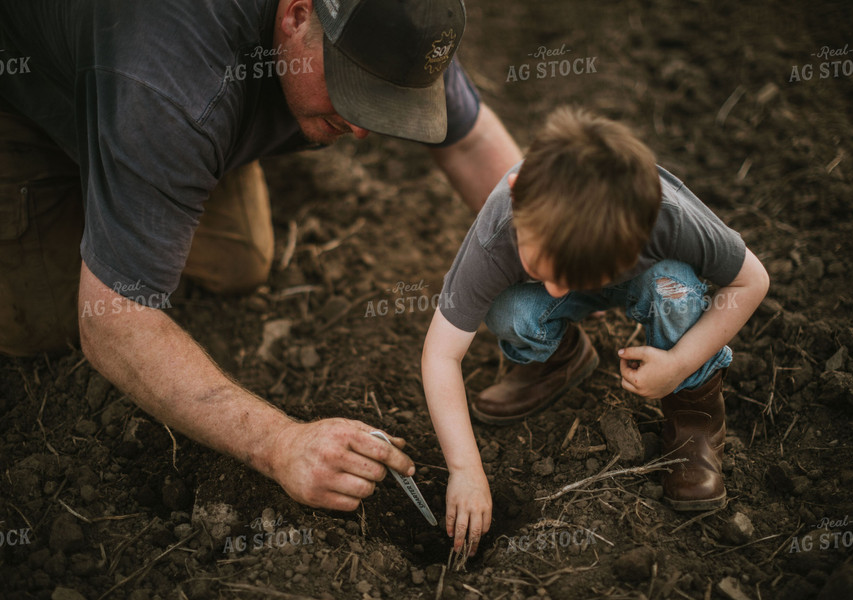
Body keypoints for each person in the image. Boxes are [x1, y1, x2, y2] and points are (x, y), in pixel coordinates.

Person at [0, 0, 521, 511]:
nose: (362, 130)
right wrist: (280, 444)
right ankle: (127, 175)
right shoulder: (174, 84)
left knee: (241, 262)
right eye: (351, 91)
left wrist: (554, 253)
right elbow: (111, 322)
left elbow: (471, 142)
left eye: (379, 101)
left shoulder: (389, 27)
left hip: (172, 109)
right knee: (44, 324)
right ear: (296, 15)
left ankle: (154, 174)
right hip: (36, 104)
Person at [422, 107, 769, 555]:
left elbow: (752, 281)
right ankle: (558, 358)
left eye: (570, 277)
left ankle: (693, 415)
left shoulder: (669, 217)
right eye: (542, 268)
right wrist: (465, 468)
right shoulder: (500, 231)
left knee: (673, 286)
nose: (555, 289)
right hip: (582, 274)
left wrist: (680, 363)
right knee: (510, 310)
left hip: (649, 282)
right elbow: (440, 354)